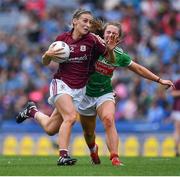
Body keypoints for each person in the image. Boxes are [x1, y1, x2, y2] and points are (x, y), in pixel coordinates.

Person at [16, 9, 116, 166]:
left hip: (79, 91)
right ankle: (63, 155)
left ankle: (32, 111)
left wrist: (109, 50)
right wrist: (47, 55)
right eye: (84, 20)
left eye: (90, 22)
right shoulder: (62, 39)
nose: (88, 24)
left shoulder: (93, 41)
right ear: (74, 21)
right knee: (70, 117)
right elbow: (46, 62)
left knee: (50, 129)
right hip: (61, 84)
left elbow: (110, 59)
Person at [77, 21, 175, 166]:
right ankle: (93, 149)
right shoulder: (91, 46)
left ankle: (115, 157)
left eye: (114, 33)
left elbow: (138, 68)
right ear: (103, 34)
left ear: (118, 38)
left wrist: (159, 80)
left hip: (105, 93)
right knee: (89, 134)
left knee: (109, 119)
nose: (111, 35)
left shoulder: (119, 55)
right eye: (108, 32)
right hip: (85, 94)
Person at [171, 79, 180, 157]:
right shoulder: (178, 81)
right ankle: (176, 150)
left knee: (177, 130)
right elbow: (173, 93)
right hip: (178, 109)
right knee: (177, 130)